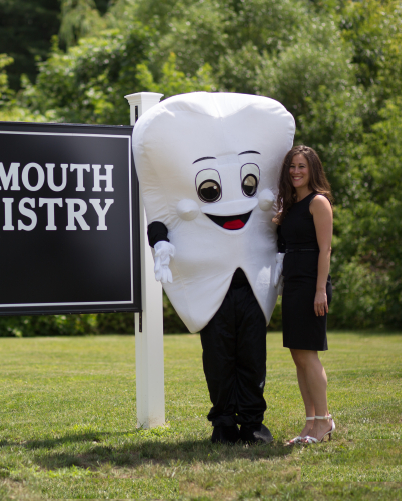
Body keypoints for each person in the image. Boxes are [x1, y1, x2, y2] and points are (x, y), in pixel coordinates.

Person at [274, 145, 335, 444]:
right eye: (292, 166)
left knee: (309, 356)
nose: (296, 171)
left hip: (313, 285)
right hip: (294, 284)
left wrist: (320, 289)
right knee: (298, 356)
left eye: (302, 166)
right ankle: (310, 424)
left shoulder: (318, 202)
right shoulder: (290, 205)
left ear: (312, 169)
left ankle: (324, 421)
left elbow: (325, 249)